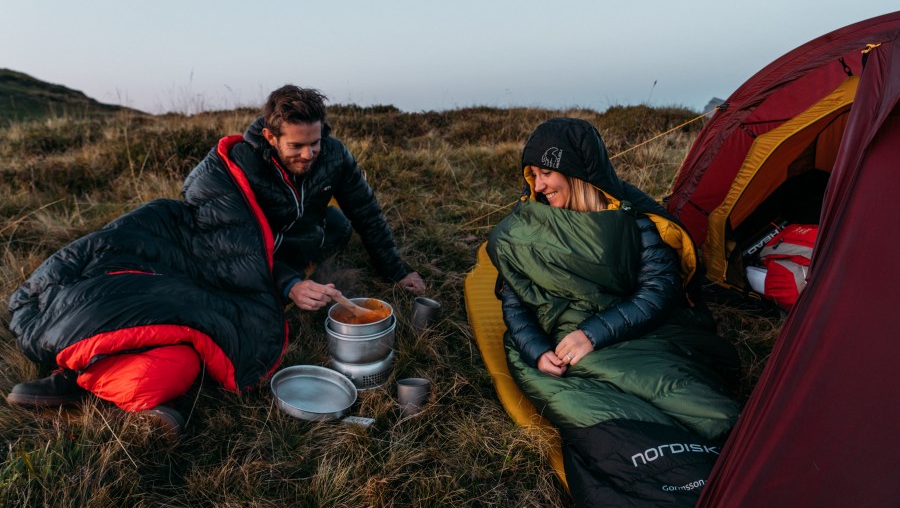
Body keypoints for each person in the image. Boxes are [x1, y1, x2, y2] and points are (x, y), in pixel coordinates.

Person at [5, 85, 425, 437]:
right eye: (297, 146)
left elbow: (365, 211)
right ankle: (81, 371)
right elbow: (234, 251)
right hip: (214, 253)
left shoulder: (332, 155)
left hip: (281, 247)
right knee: (165, 300)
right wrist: (288, 285)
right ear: (269, 136)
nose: (309, 154)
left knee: (336, 225)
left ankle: (107, 374)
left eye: (315, 143)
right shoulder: (232, 170)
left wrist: (397, 270)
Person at [487, 117, 741, 507]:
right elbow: (516, 300)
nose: (538, 186)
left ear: (576, 172)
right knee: (571, 392)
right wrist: (536, 350)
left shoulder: (636, 221)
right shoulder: (530, 226)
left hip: (635, 335)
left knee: (712, 414)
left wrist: (593, 334)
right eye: (533, 175)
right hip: (558, 341)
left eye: (548, 173)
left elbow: (658, 293)